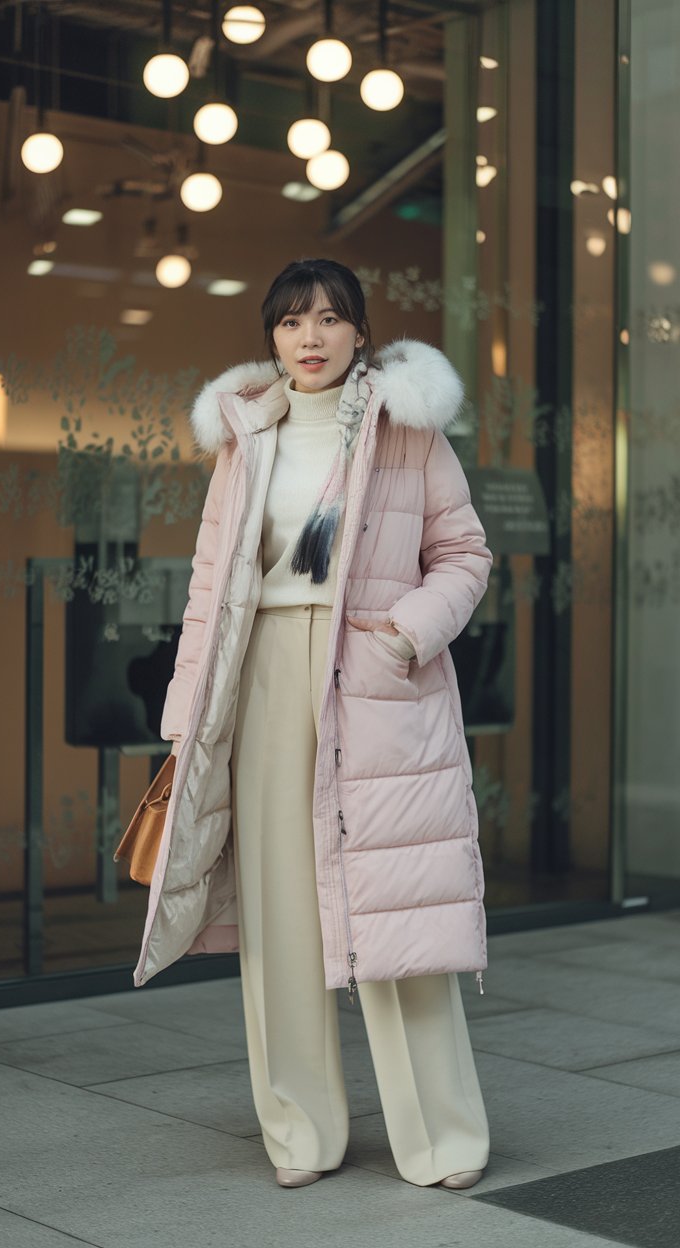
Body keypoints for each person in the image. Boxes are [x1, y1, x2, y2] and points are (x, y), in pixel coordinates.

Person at [131, 257, 494, 1191]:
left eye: (331, 319)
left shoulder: (404, 430)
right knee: (280, 914)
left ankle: (443, 1138)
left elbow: (464, 553)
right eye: (293, 321)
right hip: (263, 674)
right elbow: (210, 585)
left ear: (361, 333)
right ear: (273, 336)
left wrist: (406, 635)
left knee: (395, 906)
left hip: (371, 676)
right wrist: (186, 712)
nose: (312, 337)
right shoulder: (246, 435)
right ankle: (301, 1131)